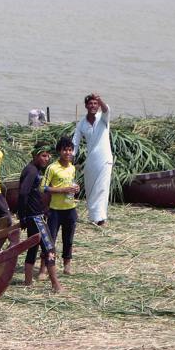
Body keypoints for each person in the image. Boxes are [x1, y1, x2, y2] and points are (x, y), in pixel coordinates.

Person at [17, 147, 60, 292]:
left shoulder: (34, 170)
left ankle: (28, 282)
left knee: (33, 248)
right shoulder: (32, 171)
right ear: (35, 156)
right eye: (43, 156)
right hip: (34, 217)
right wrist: (22, 216)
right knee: (49, 248)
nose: (46, 159)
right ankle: (56, 285)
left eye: (48, 156)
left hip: (35, 215)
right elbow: (23, 193)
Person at [72, 92, 112, 226]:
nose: (93, 106)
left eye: (95, 103)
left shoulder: (103, 118)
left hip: (105, 158)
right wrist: (70, 157)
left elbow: (107, 109)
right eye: (91, 103)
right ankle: (93, 216)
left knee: (102, 187)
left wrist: (100, 99)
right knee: (90, 188)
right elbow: (75, 142)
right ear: (86, 106)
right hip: (91, 160)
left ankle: (100, 218)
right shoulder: (82, 124)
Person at [43, 135, 80, 275]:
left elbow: (72, 184)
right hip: (55, 210)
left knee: (68, 239)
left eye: (70, 150)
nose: (68, 153)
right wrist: (61, 190)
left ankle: (67, 265)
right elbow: (43, 187)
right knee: (51, 240)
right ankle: (47, 265)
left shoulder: (72, 168)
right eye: (65, 150)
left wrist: (76, 188)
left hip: (70, 209)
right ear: (59, 151)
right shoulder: (52, 168)